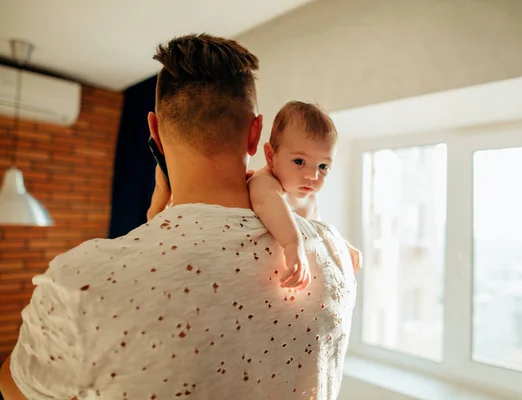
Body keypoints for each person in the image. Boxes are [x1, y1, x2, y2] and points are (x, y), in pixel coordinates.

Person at [0, 33, 357, 400]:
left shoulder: (80, 281)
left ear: (154, 133)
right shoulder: (336, 253)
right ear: (255, 136)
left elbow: (15, 390)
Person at [248, 101, 362, 291]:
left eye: (323, 166)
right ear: (270, 156)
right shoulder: (265, 182)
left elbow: (316, 227)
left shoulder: (309, 196)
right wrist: (293, 246)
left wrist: (340, 245)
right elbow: (269, 204)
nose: (313, 175)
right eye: (300, 161)